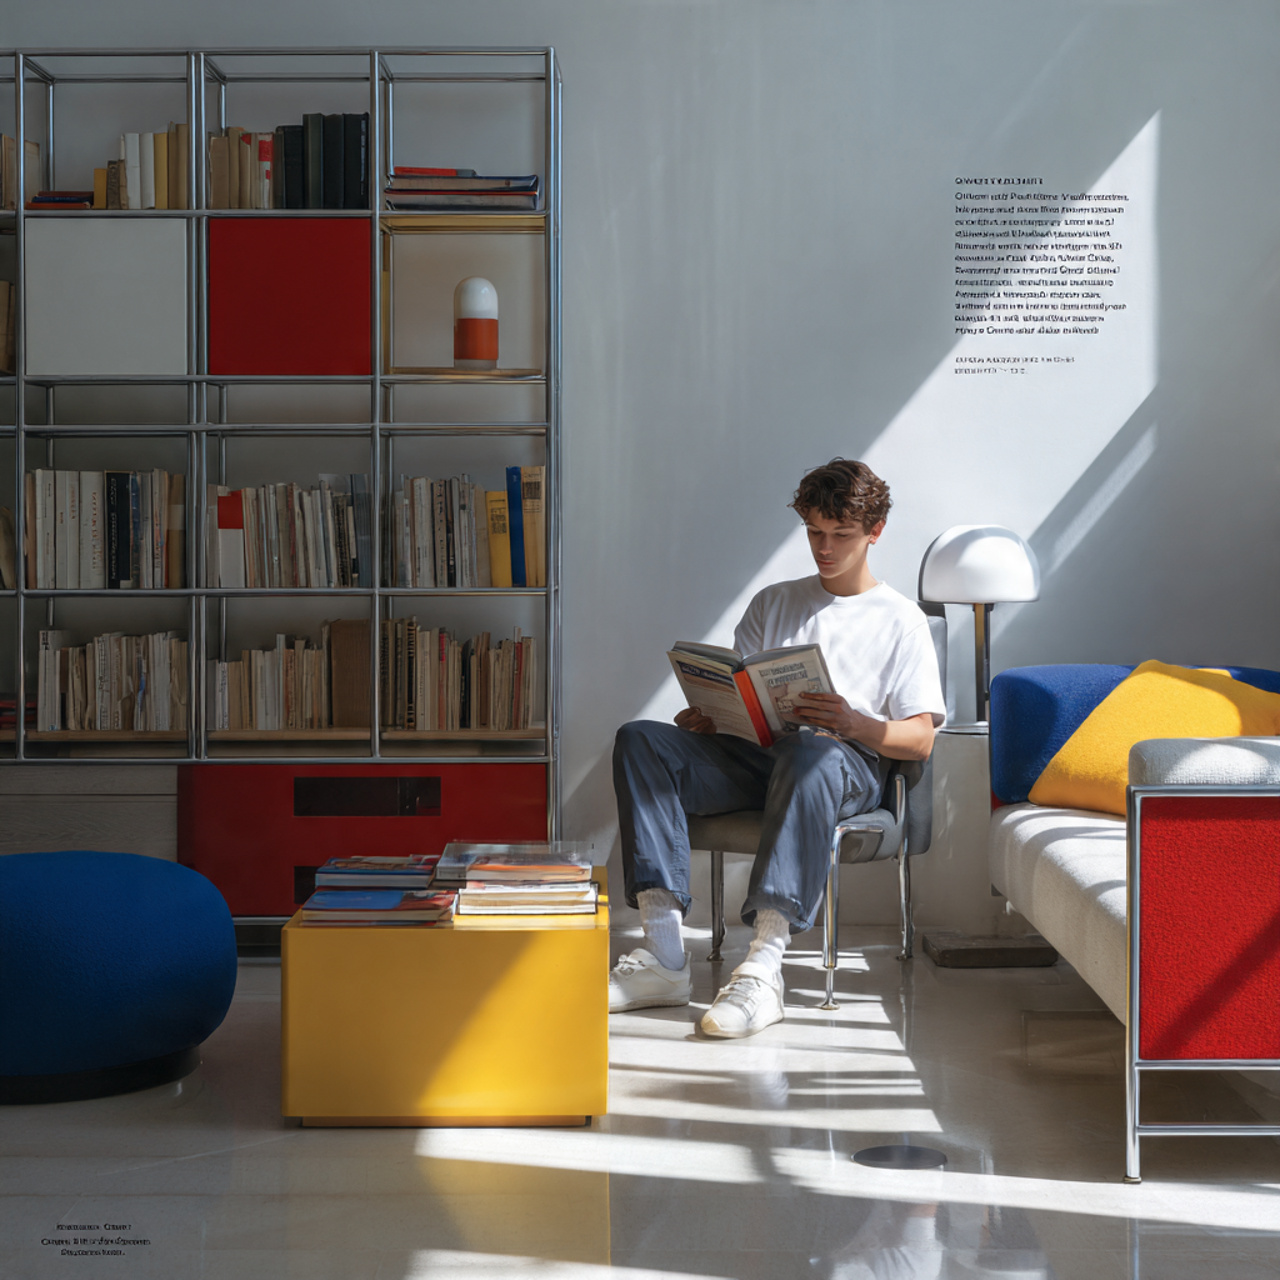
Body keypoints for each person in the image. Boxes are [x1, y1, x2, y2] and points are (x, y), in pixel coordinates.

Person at [609, 458, 946, 1038]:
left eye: (841, 535)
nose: (825, 546)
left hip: (844, 765)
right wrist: (714, 718)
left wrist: (854, 721)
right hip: (759, 757)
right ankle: (664, 956)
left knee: (811, 749)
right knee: (641, 739)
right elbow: (747, 697)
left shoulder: (902, 621)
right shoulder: (773, 602)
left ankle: (764, 969)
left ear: (874, 532)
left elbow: (919, 739)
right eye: (815, 532)